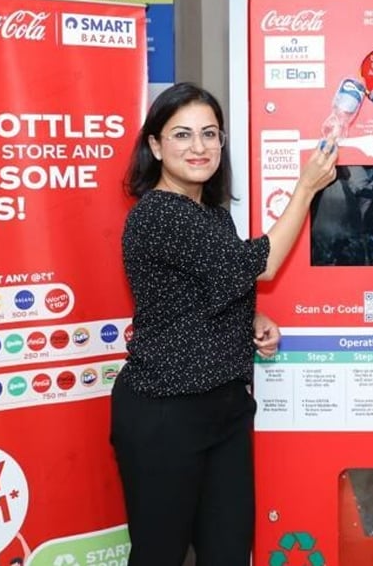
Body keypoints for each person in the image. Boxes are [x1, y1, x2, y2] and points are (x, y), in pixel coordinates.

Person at [112, 82, 338, 566]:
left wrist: (250, 315)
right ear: (155, 146)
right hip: (166, 413)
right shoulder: (159, 214)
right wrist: (306, 187)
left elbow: (204, 287)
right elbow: (263, 265)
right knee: (159, 555)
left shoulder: (212, 216)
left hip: (224, 409)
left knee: (229, 552)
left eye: (209, 133)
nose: (198, 146)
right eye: (182, 134)